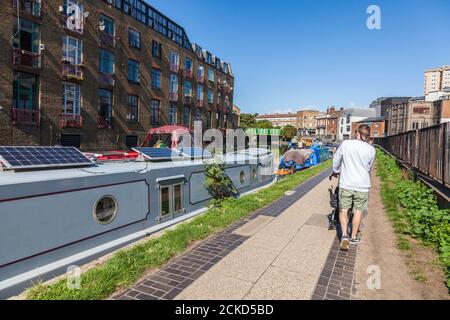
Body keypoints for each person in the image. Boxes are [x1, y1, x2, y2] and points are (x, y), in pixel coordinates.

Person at [331, 125, 375, 251]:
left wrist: (335, 171)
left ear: (358, 133)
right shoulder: (371, 149)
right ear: (367, 136)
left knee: (343, 210)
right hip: (362, 185)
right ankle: (354, 237)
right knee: (358, 211)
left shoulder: (346, 144)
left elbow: (336, 159)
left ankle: (344, 236)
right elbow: (368, 167)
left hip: (347, 183)